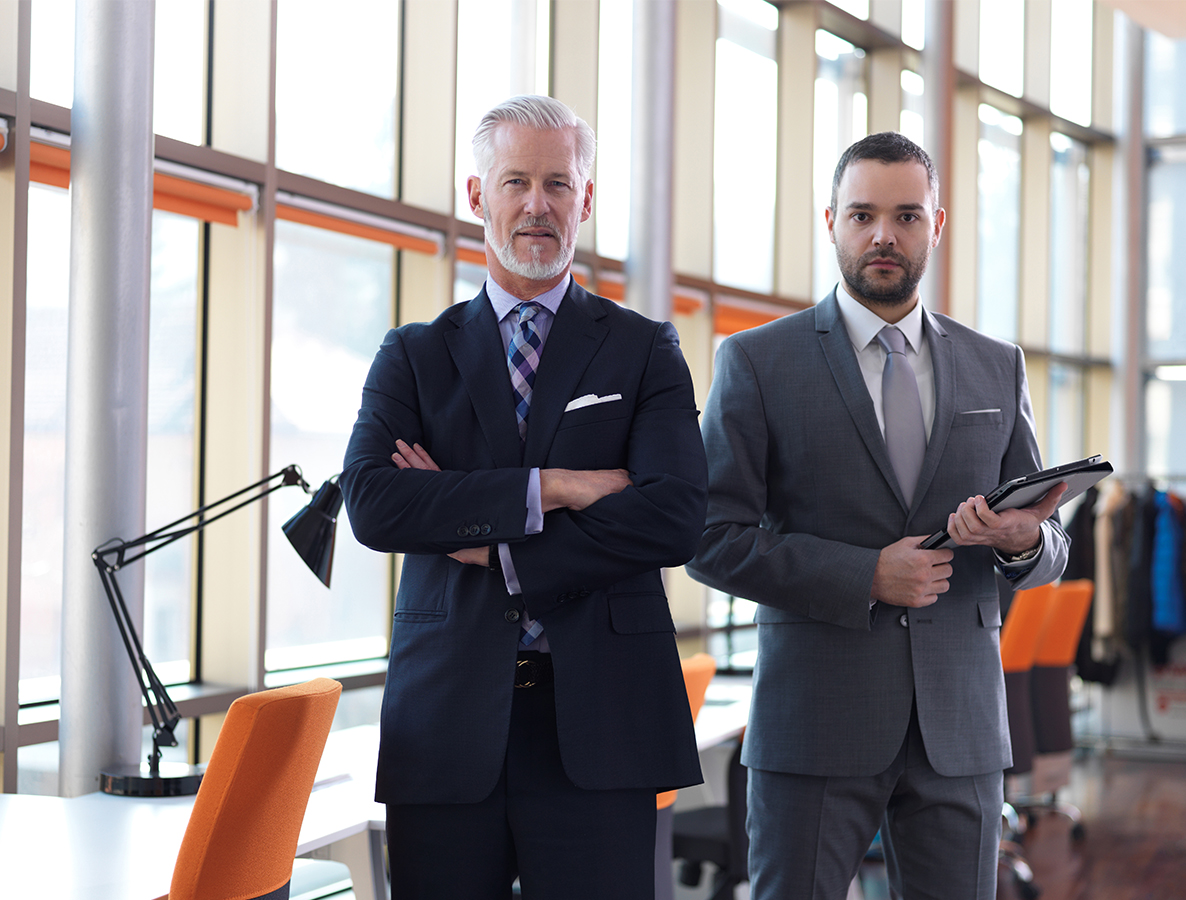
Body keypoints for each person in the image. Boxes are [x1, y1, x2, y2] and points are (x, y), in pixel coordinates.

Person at [685, 131, 1070, 900]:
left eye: (906, 215)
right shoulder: (758, 362)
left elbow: (1045, 539)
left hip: (958, 727)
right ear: (830, 221)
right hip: (815, 719)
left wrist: (1026, 540)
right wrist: (865, 574)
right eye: (862, 215)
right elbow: (706, 537)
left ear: (938, 224)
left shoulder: (998, 363)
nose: (884, 235)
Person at [340, 95, 707, 900]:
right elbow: (373, 504)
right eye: (516, 182)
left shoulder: (645, 350)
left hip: (603, 722)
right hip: (444, 727)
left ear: (586, 198)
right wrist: (556, 488)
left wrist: (503, 547)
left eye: (558, 185)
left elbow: (677, 514)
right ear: (479, 197)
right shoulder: (412, 356)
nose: (537, 205)